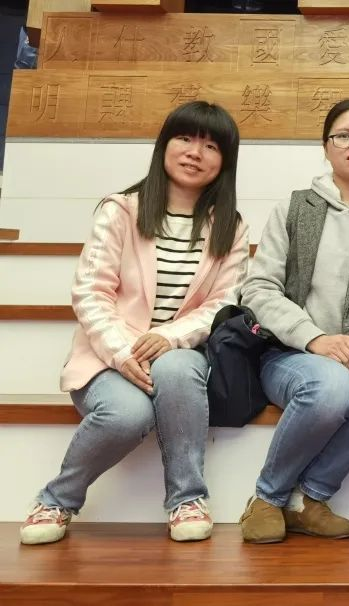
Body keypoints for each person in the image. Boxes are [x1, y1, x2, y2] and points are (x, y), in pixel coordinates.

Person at [20, 101, 249, 545]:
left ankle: (187, 499)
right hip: (107, 357)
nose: (195, 152)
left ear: (225, 160)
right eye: (185, 138)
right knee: (127, 415)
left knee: (177, 368)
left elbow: (224, 302)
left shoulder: (231, 226)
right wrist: (124, 352)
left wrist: (169, 336)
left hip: (181, 355)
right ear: (164, 145)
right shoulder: (121, 210)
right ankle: (57, 499)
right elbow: (91, 292)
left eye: (210, 145)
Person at [238, 99, 349, 544]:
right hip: (293, 353)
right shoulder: (295, 208)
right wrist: (314, 339)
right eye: (344, 135)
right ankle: (267, 496)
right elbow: (259, 289)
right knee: (331, 387)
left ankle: (308, 497)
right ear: (326, 145)